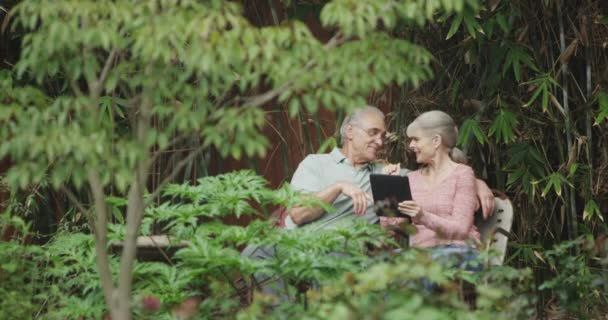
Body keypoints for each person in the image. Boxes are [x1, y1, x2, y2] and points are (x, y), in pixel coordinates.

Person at [285, 106, 494, 231]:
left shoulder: (385, 175)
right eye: (373, 133)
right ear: (349, 131)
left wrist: (477, 183)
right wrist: (339, 187)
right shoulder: (315, 164)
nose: (380, 141)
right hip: (293, 242)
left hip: (336, 251)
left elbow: (440, 176)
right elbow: (298, 214)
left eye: (383, 136)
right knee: (256, 254)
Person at [381, 110, 482, 269]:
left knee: (422, 268)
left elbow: (461, 230)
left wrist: (423, 216)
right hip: (422, 254)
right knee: (377, 265)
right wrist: (388, 186)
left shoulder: (463, 174)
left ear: (436, 141)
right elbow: (388, 231)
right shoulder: (412, 178)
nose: (411, 145)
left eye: (416, 139)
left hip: (460, 251)